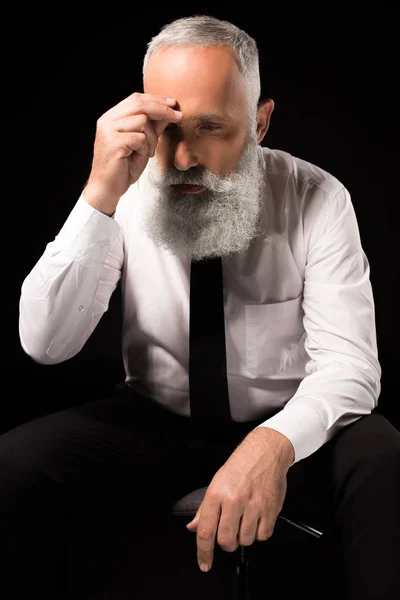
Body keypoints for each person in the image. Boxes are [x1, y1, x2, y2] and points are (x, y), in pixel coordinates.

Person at [4, 13, 399, 600]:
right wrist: (98, 194)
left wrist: (271, 444)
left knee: (383, 456)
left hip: (286, 425)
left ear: (260, 122)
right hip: (155, 421)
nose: (183, 157)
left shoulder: (318, 198)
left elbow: (351, 368)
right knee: (12, 466)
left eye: (212, 128)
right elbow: (44, 343)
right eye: (167, 128)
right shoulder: (127, 189)